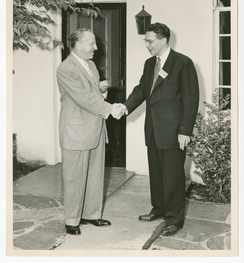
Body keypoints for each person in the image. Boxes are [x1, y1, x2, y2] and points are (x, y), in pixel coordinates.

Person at [118, 22, 199, 236]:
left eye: (150, 40)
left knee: (173, 176)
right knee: (157, 173)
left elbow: (191, 99)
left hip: (174, 131)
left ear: (163, 40)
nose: (147, 44)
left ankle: (174, 219)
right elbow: (142, 89)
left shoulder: (182, 63)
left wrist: (185, 130)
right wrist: (125, 107)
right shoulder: (149, 64)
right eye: (146, 40)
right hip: (153, 129)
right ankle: (159, 209)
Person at [56, 28, 122, 235]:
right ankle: (72, 220)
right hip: (76, 131)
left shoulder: (91, 65)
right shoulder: (65, 68)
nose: (96, 47)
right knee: (75, 178)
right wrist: (111, 108)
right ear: (77, 44)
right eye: (91, 43)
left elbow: (91, 93)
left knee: (95, 174)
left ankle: (91, 214)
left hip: (95, 127)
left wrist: (102, 90)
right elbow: (82, 98)